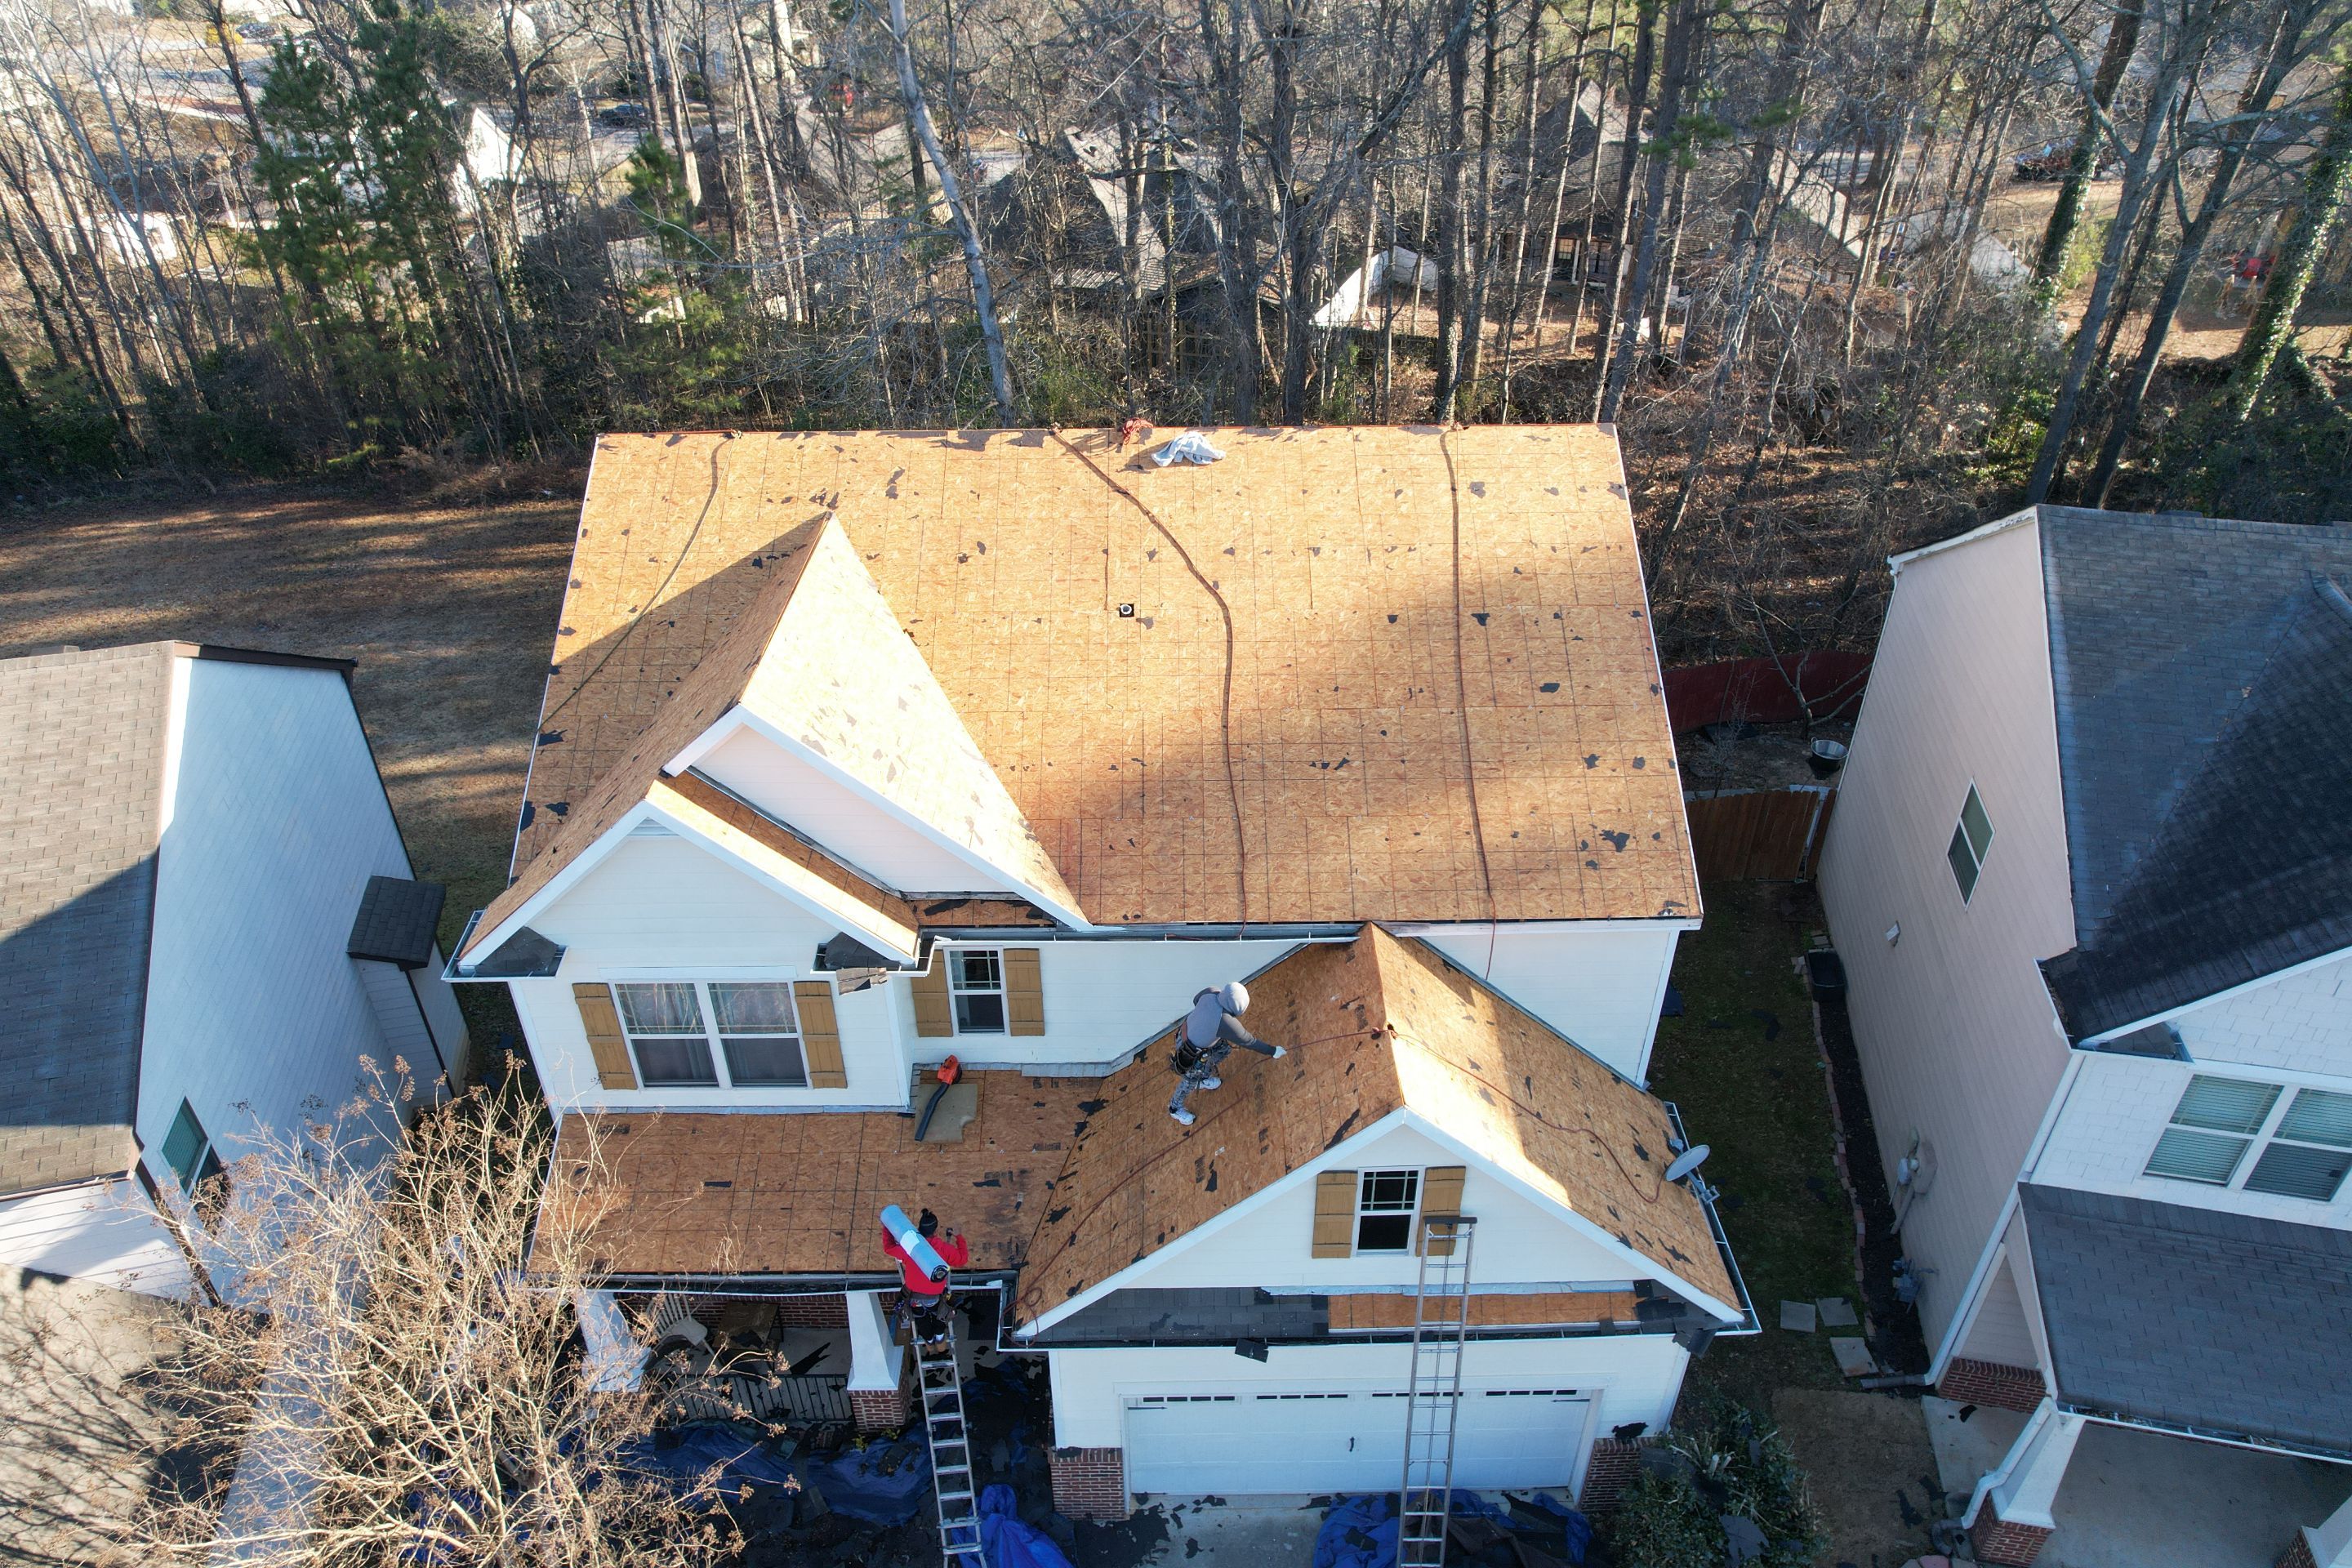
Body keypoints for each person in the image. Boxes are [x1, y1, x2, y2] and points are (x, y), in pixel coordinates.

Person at [1168, 980, 1286, 1126]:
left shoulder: (1211, 991)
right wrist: (1273, 1051)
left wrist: (1205, 1023)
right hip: (1189, 1053)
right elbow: (1249, 1041)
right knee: (1189, 1081)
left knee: (1223, 1049)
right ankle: (1175, 1108)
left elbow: (1196, 1000)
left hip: (1184, 1032)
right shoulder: (1225, 1022)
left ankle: (1203, 1077)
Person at [881, 1208, 967, 1346]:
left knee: (921, 1320)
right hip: (935, 1297)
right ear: (936, 1232)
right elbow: (962, 1259)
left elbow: (889, 1248)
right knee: (941, 1314)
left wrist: (888, 1227)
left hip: (914, 1298)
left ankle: (929, 1340)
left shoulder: (910, 1248)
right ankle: (939, 1336)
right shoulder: (944, 1249)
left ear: (918, 1229)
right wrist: (959, 1237)